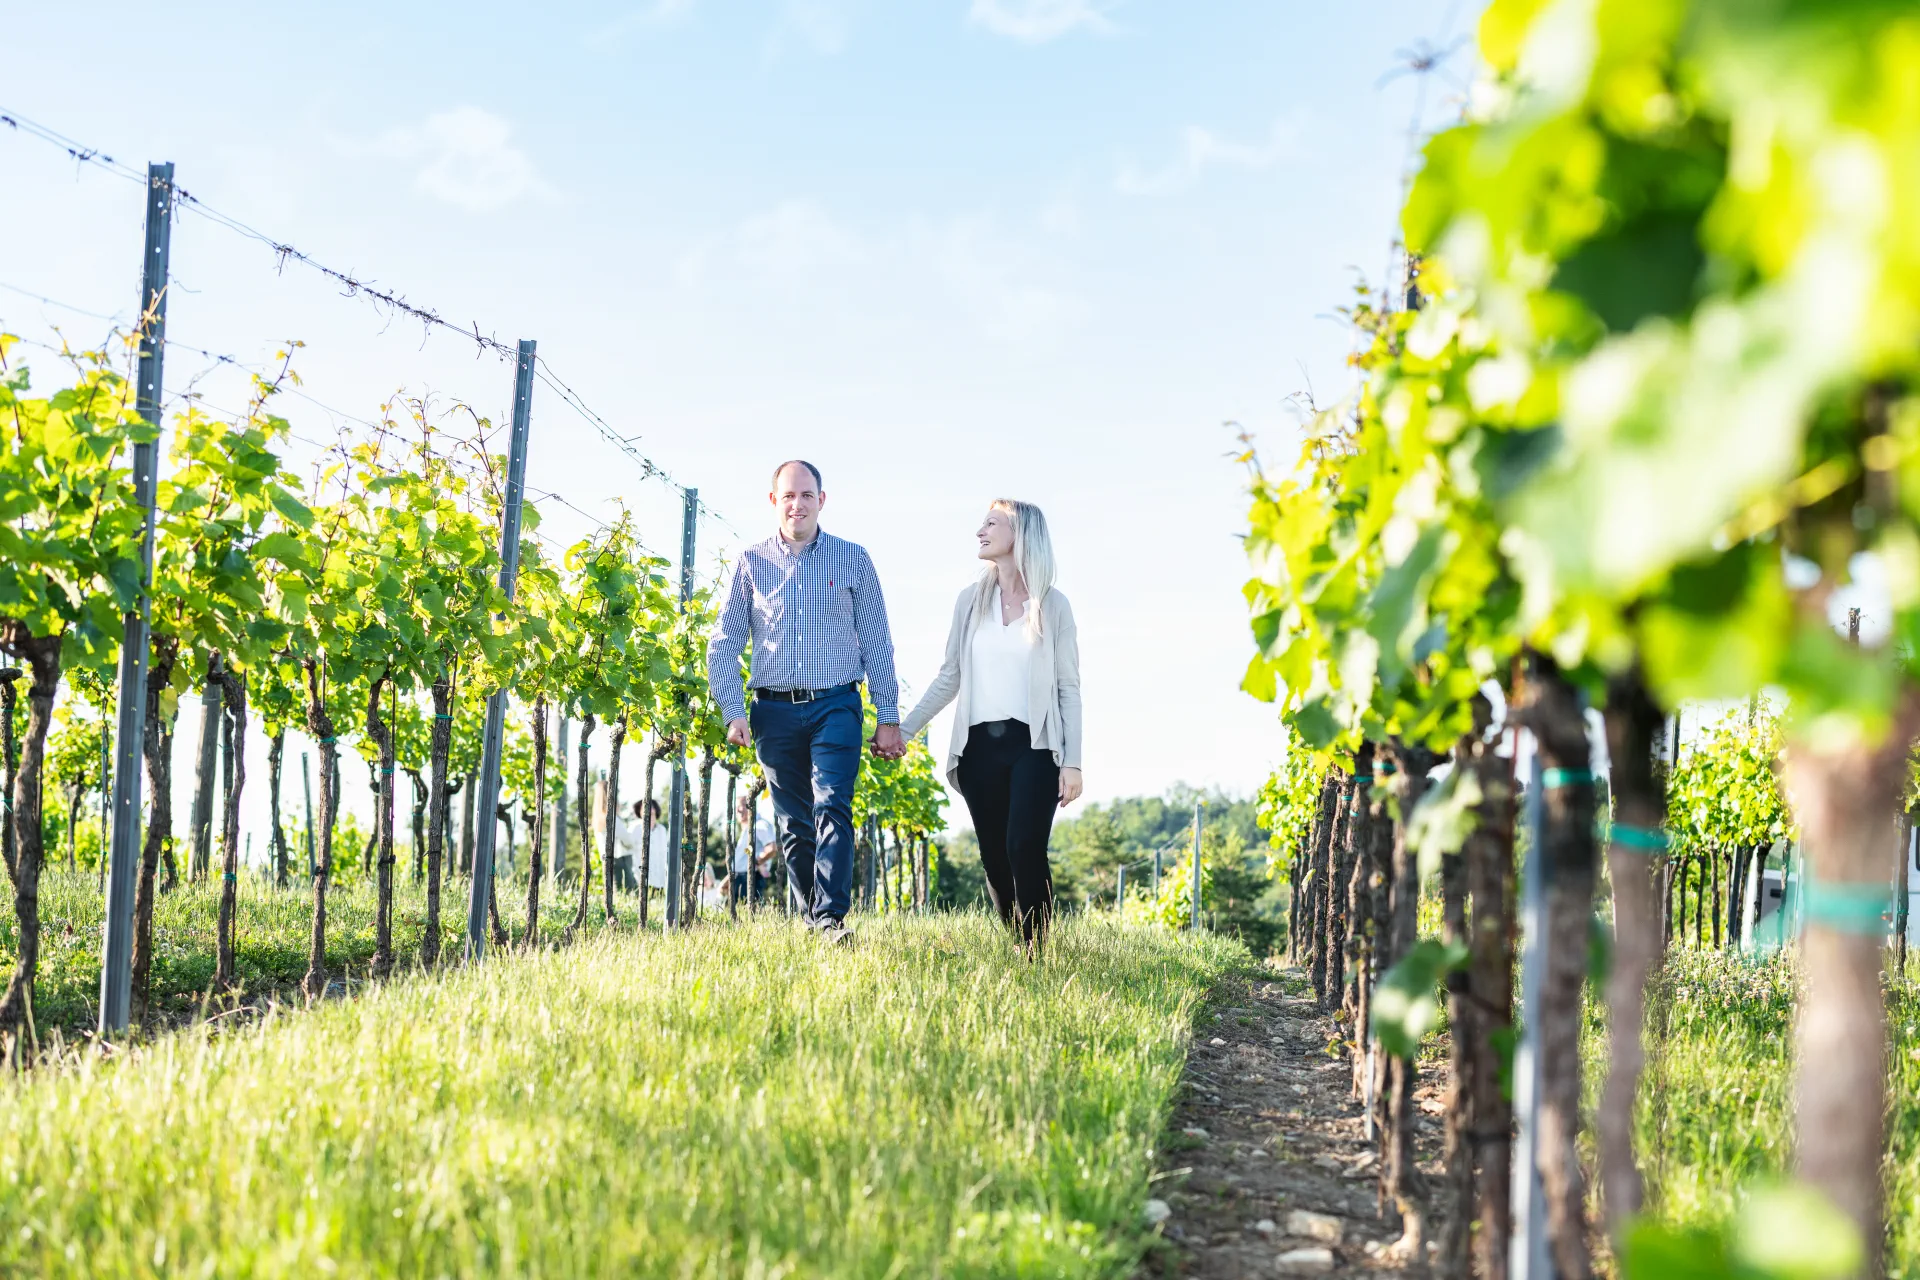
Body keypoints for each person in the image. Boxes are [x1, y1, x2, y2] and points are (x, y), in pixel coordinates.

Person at [708, 460, 902, 946]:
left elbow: (877, 641)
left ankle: (831, 919)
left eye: (807, 495)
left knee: (833, 804)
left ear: (822, 500)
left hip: (836, 704)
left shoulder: (853, 559)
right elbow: (722, 642)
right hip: (772, 711)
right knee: (794, 821)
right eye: (788, 496)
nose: (798, 504)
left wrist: (889, 718)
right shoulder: (750, 562)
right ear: (774, 501)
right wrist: (733, 710)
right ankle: (811, 919)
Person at [900, 499, 1082, 954]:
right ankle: (1018, 940)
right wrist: (904, 730)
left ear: (1020, 535)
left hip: (1035, 745)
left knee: (1025, 845)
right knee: (995, 858)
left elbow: (1068, 689)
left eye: (991, 524)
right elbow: (949, 677)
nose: (979, 532)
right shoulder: (969, 602)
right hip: (978, 746)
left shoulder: (1054, 606)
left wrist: (1074, 762)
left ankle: (1035, 953)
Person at [733, 791, 776, 904]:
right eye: (736, 807)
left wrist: (756, 863)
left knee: (750, 912)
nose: (737, 810)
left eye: (740, 806)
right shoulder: (748, 828)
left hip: (749, 877)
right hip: (740, 878)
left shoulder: (760, 825)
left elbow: (771, 848)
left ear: (749, 806)